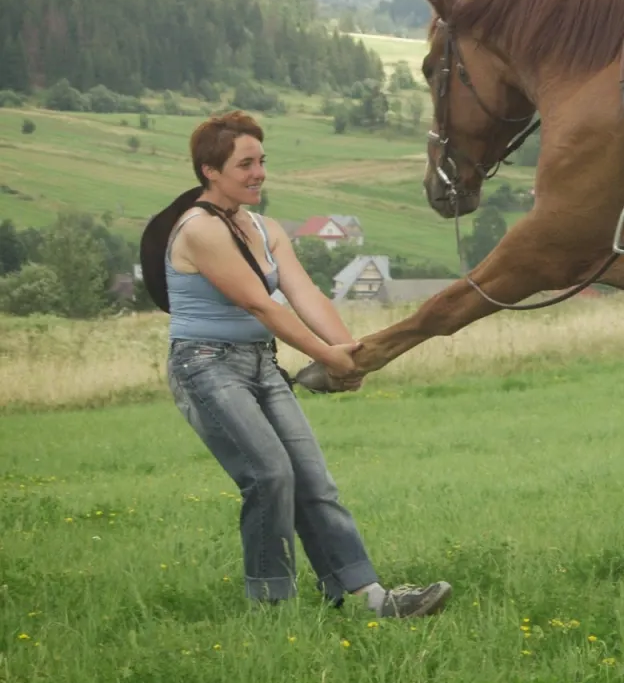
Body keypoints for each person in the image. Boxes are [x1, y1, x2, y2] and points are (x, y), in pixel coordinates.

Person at [154, 109, 451, 617]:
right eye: (245, 164)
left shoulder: (265, 228)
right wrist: (325, 357)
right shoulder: (199, 230)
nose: (259, 173)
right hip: (205, 367)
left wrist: (354, 355)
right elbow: (262, 305)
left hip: (261, 366)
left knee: (313, 479)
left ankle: (365, 598)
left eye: (262, 161)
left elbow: (304, 293)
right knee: (269, 475)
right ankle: (273, 607)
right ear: (210, 170)